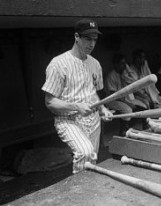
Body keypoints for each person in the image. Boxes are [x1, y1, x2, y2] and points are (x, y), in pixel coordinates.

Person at [41, 19, 113, 174]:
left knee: (92, 159)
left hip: (93, 120)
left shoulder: (95, 64)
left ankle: (89, 193)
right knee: (85, 152)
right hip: (68, 119)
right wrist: (76, 106)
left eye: (95, 39)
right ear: (76, 37)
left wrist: (103, 108)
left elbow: (93, 93)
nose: (92, 44)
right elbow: (50, 102)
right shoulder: (58, 64)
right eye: (87, 38)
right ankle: (80, 194)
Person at [105, 53, 148, 136]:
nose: (124, 66)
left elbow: (134, 80)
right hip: (112, 100)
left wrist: (127, 69)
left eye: (125, 63)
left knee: (144, 105)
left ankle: (144, 126)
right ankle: (123, 131)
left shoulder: (123, 74)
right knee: (127, 109)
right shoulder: (111, 76)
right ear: (116, 64)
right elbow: (113, 95)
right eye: (122, 64)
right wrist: (128, 103)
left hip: (124, 99)